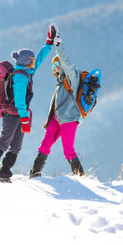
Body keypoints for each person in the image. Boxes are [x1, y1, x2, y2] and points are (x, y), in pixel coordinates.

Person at [0, 24, 57, 182]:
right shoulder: (20, 77)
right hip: (13, 114)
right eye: (32, 62)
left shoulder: (27, 71)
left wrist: (48, 43)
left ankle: (4, 174)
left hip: (19, 114)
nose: (34, 64)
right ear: (26, 62)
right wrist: (25, 119)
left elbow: (40, 58)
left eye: (34, 62)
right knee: (4, 143)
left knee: (16, 146)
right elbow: (20, 101)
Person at [30, 27, 85, 178]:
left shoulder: (71, 75)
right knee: (44, 145)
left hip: (69, 118)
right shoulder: (60, 82)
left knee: (68, 151)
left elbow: (65, 61)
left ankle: (81, 176)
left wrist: (58, 45)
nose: (54, 69)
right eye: (53, 66)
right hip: (56, 117)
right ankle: (34, 174)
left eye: (56, 65)